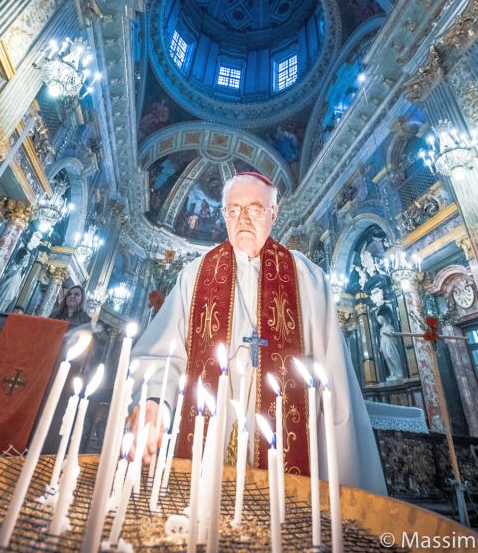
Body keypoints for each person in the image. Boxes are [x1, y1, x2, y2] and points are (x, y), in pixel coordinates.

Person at [128, 172, 386, 495]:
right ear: (223, 215)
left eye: (255, 209)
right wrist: (156, 403)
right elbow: (162, 358)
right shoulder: (193, 278)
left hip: (286, 449)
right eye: (233, 210)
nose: (243, 219)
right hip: (210, 440)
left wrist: (344, 477)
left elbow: (334, 382)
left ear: (274, 214)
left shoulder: (308, 280)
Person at [377, 312, 405, 381]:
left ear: (382, 319)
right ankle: (392, 373)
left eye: (380, 320)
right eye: (378, 321)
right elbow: (381, 338)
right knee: (387, 358)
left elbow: (392, 334)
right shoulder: (381, 329)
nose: (379, 322)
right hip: (384, 343)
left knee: (391, 356)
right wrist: (380, 346)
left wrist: (386, 333)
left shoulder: (389, 326)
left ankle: (399, 373)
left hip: (389, 342)